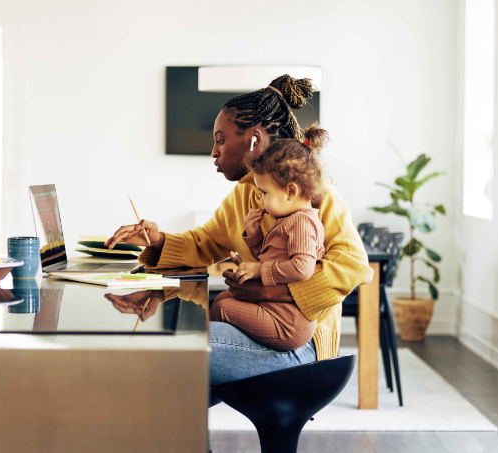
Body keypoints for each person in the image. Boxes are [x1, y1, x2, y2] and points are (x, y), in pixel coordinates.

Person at [105, 74, 371, 408]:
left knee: (173, 351)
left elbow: (353, 267)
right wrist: (156, 240)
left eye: (220, 140)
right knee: (172, 360)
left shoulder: (314, 194)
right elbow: (204, 244)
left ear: (253, 139)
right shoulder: (245, 194)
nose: (213, 152)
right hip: (258, 328)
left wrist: (267, 290)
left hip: (299, 345)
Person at [209, 125, 331, 352]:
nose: (261, 200)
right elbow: (271, 257)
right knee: (223, 299)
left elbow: (302, 268)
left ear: (291, 191)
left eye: (264, 193)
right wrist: (254, 234)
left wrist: (258, 271)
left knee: (220, 309)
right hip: (275, 312)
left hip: (287, 323)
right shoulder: (288, 220)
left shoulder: (302, 223)